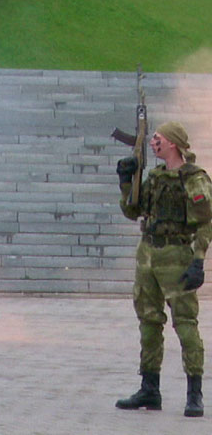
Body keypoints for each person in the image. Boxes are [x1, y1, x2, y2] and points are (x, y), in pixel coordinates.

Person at [115, 123, 211, 417]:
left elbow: (206, 220)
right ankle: (150, 388)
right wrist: (126, 180)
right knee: (148, 321)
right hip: (148, 254)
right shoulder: (154, 177)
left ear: (174, 144)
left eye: (159, 138)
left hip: (176, 255)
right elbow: (133, 211)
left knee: (184, 323)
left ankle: (194, 394)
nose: (153, 141)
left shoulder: (194, 179)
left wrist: (198, 260)